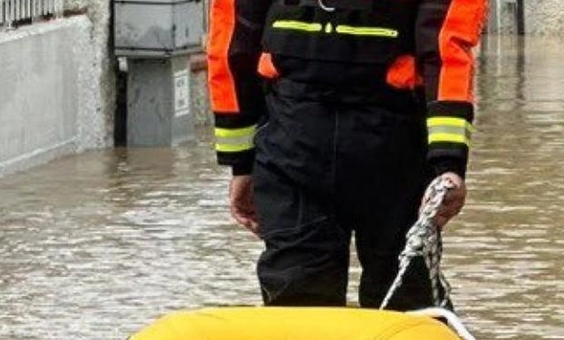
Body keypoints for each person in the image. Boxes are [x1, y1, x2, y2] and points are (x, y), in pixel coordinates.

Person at [208, 0, 487, 309]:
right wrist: (448, 163)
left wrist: (241, 165)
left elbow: (232, 46)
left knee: (299, 298)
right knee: (404, 300)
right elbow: (447, 49)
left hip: (297, 151)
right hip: (390, 153)